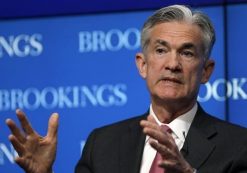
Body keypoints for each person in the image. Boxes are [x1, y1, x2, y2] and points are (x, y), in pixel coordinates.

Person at [5, 4, 247, 173]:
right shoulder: (102, 143)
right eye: (161, 50)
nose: (173, 64)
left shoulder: (239, 146)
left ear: (206, 71)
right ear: (143, 65)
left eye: (186, 52)